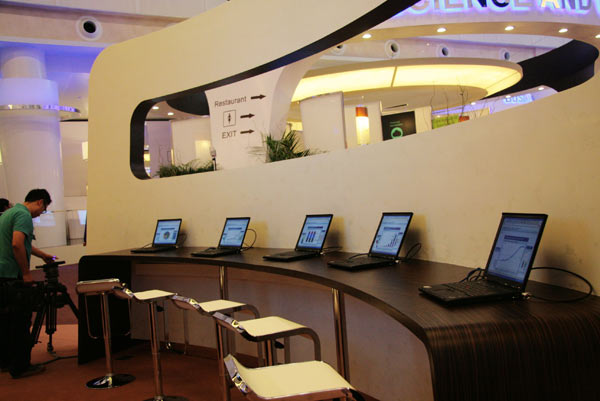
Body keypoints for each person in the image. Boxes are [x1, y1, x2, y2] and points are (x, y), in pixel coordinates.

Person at [0, 189, 57, 378]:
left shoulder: (8, 213)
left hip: (2, 275)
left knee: (5, 321)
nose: (41, 214)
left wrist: (42, 255)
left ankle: (6, 362)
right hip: (11, 276)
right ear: (40, 202)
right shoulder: (23, 215)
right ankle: (21, 366)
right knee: (20, 321)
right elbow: (17, 244)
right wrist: (26, 273)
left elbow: (19, 242)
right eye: (44, 210)